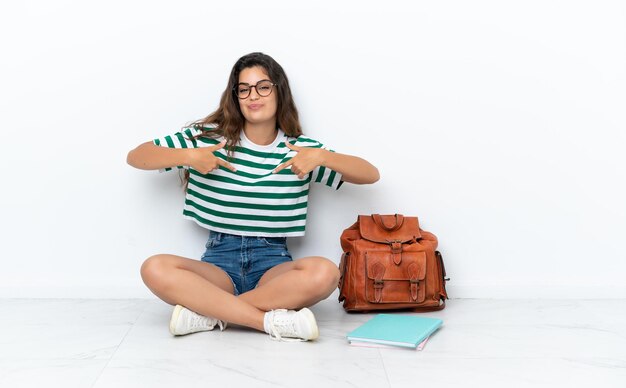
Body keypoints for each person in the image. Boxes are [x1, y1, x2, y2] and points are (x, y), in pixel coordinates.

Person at [127, 52, 379, 341]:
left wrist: (321, 157)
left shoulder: (301, 151)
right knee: (154, 267)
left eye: (263, 86)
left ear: (278, 91)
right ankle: (266, 322)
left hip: (272, 265)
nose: (252, 96)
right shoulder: (210, 139)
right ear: (235, 97)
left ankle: (209, 314)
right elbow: (137, 156)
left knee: (326, 273)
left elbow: (370, 174)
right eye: (243, 89)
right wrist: (189, 156)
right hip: (218, 264)